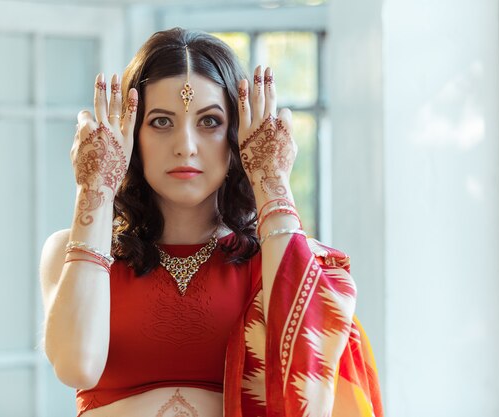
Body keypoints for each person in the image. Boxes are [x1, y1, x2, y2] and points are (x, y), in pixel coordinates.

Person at [39, 27, 383, 417]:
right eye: (161, 122)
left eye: (210, 122)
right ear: (129, 133)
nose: (185, 145)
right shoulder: (70, 251)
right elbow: (76, 366)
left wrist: (271, 179)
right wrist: (95, 187)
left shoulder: (272, 264)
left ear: (238, 133)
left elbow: (306, 388)